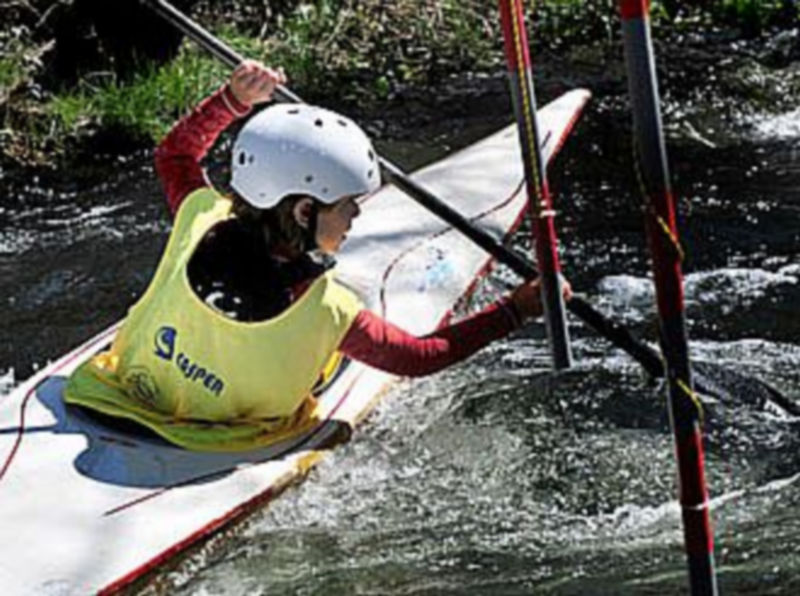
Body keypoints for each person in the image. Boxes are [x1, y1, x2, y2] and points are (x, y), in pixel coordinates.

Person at [64, 61, 571, 452]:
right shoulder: (329, 311)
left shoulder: (198, 215)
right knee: (324, 363)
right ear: (304, 210)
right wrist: (515, 310)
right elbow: (418, 358)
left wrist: (231, 101)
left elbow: (175, 154)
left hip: (113, 394)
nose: (356, 216)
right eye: (347, 204)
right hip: (220, 441)